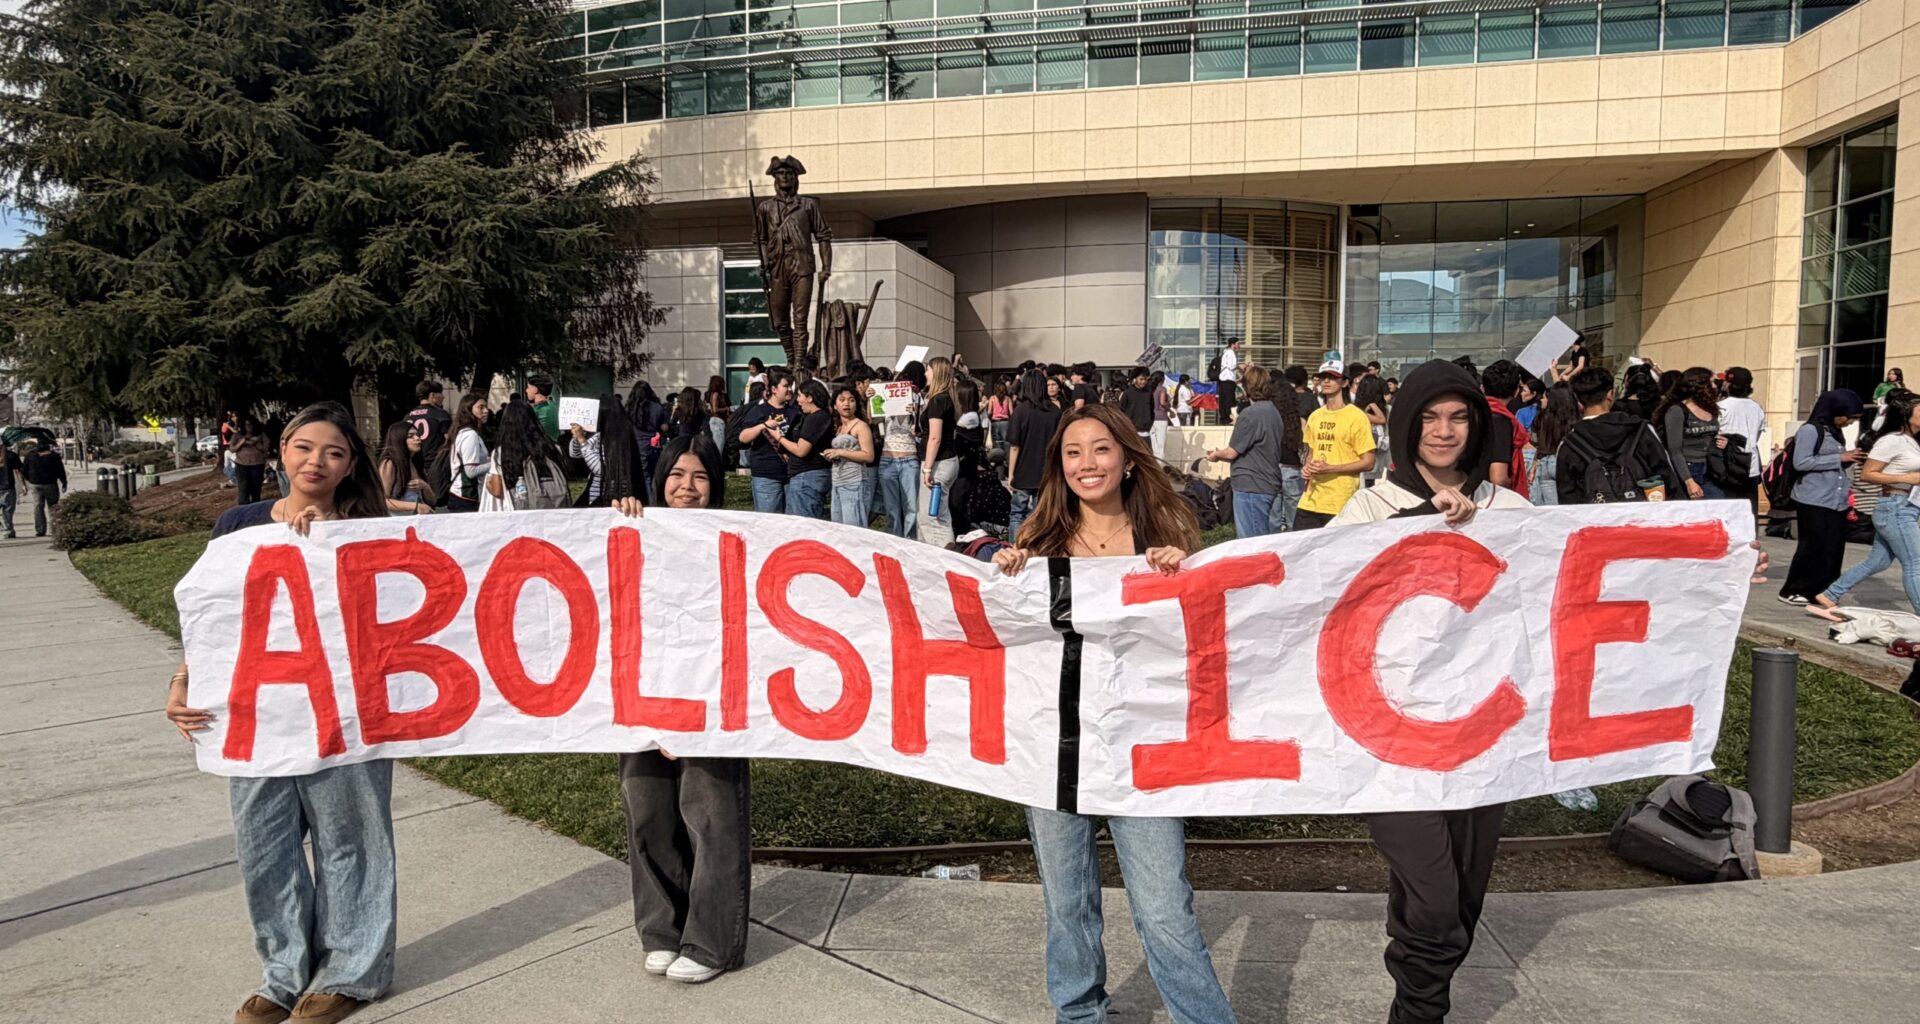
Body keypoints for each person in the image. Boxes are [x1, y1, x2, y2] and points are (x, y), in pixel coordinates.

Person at [987, 403, 1236, 1024]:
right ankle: (1079, 1013)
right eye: (1073, 452)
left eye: (1101, 449)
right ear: (1058, 465)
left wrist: (1185, 578)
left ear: (1127, 458)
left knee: (1163, 906)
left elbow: (1201, 640)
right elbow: (1008, 638)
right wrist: (1006, 575)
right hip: (1055, 747)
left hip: (1141, 750)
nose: (1087, 464)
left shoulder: (1165, 533)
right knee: (1067, 902)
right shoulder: (1038, 540)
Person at [164, 402, 395, 1024]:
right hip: (257, 712)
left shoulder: (367, 526)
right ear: (281, 452)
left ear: (350, 467)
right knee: (265, 846)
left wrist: (339, 537)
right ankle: (283, 973)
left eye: (334, 452)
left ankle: (351, 970)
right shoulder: (237, 523)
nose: (316, 461)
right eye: (303, 447)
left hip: (343, 714)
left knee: (351, 842)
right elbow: (212, 620)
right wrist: (182, 682)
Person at [1329, 360, 1530, 1024]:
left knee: (1458, 906)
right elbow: (1307, 599)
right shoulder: (1366, 509)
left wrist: (1724, 562)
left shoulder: (1511, 512)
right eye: (1430, 417)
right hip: (1390, 744)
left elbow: (1563, 594)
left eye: (1459, 417)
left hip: (1479, 741)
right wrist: (1418, 523)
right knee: (1436, 896)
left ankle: (1420, 1008)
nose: (1444, 432)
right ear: (1408, 425)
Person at [597, 432, 754, 985]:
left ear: (717, 487)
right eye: (676, 476)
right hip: (640, 696)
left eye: (700, 478)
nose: (686, 488)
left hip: (711, 699)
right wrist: (621, 518)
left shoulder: (738, 540)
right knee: (648, 810)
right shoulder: (633, 526)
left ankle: (713, 940)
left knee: (711, 814)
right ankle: (662, 929)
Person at [1813, 389, 1920, 614]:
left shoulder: (1912, 442)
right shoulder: (1892, 441)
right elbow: (1868, 474)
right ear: (1906, 415)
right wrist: (1906, 478)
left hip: (1905, 507)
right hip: (1895, 507)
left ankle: (1830, 594)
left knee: (1878, 562)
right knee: (1915, 564)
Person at [1779, 389, 1867, 605]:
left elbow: (1832, 461)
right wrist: (1840, 457)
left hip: (1836, 499)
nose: (1849, 422)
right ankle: (1794, 589)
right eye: (1848, 417)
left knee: (1833, 548)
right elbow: (1803, 462)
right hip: (1813, 498)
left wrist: (1849, 459)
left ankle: (1822, 591)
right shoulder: (1811, 430)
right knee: (1812, 547)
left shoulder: (1835, 431)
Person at [1556, 367, 1684, 505]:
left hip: (1595, 522)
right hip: (1643, 519)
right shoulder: (1641, 430)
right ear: (1611, 394)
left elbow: (1567, 498)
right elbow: (1667, 477)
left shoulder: (1569, 444)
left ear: (1578, 402)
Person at [1207, 366, 1296, 537]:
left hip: (1251, 485)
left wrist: (1216, 454)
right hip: (1267, 481)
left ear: (1247, 388)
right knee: (1265, 538)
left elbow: (1232, 452)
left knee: (1251, 544)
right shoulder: (1272, 410)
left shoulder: (1250, 414)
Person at [1293, 354, 1376, 530]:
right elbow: (1311, 453)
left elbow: (1369, 462)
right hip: (1310, 499)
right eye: (1323, 377)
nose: (1326, 381)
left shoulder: (1357, 417)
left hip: (1341, 501)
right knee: (1300, 552)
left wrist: (1331, 468)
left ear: (1345, 383)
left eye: (1333, 377)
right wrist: (1306, 468)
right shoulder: (1315, 416)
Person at [481, 397, 572, 512]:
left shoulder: (502, 452)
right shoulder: (553, 448)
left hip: (518, 511)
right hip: (555, 509)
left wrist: (489, 483)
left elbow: (497, 491)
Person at [1006, 369, 1061, 544]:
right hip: (1047, 472)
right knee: (1041, 516)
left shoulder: (1020, 411)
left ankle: (1015, 548)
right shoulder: (1055, 411)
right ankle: (1037, 548)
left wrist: (1011, 473)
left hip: (1023, 470)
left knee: (1017, 514)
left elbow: (1015, 446)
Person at [1655, 366, 1724, 500]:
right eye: (1712, 382)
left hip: (1710, 469)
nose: (1715, 386)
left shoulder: (1710, 409)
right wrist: (1689, 481)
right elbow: (1675, 451)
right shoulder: (1677, 411)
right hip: (1688, 469)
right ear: (1700, 385)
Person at [735, 367, 797, 513]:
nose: (789, 390)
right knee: (769, 522)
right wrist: (762, 426)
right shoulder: (759, 410)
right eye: (785, 386)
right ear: (774, 389)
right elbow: (743, 437)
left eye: (791, 387)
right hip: (766, 474)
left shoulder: (796, 411)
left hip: (791, 474)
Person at [875, 361, 924, 538]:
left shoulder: (920, 399)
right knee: (892, 509)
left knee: (912, 508)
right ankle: (895, 542)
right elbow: (873, 419)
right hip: (888, 457)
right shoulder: (887, 396)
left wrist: (916, 412)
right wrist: (872, 398)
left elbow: (921, 431)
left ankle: (910, 542)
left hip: (910, 458)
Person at [773, 378, 834, 519]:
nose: (798, 400)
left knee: (804, 524)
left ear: (810, 397)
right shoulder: (809, 417)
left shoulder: (817, 417)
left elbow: (801, 450)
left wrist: (779, 437)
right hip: (803, 476)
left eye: (800, 396)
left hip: (807, 477)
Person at [570, 393, 645, 508]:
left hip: (611, 495)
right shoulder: (598, 436)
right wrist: (578, 438)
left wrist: (582, 441)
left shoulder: (618, 440)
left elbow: (601, 470)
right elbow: (575, 454)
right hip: (595, 493)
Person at [918, 356, 962, 546]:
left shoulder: (938, 400)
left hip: (938, 464)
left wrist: (927, 469)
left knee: (932, 516)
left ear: (936, 373)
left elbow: (935, 437)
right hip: (946, 461)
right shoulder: (947, 399)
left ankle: (941, 556)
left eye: (928, 369)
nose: (925, 373)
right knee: (939, 512)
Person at [824, 384, 876, 527]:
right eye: (842, 400)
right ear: (835, 405)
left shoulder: (861, 426)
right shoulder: (839, 428)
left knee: (854, 529)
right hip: (838, 481)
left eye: (851, 400)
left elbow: (868, 455)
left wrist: (841, 452)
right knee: (839, 529)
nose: (846, 403)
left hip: (855, 483)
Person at [1718, 366, 1768, 514]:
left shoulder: (1721, 407)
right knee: (1748, 511)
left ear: (1728, 384)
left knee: (1727, 511)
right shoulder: (1756, 408)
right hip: (1750, 466)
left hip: (1726, 465)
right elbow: (1757, 436)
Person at [1478, 360, 1529, 499]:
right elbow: (1498, 477)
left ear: (1482, 388)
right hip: (1489, 500)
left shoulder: (1471, 415)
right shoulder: (1500, 420)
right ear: (1516, 391)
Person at [1528, 383, 1576, 507]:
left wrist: (1533, 466)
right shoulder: (1574, 418)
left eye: (1544, 397)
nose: (1541, 399)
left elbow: (1534, 442)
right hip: (1566, 462)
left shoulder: (1540, 418)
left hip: (1544, 462)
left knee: (1550, 509)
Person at [445, 391, 491, 513]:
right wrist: (494, 464)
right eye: (481, 407)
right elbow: (470, 471)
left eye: (486, 407)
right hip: (466, 497)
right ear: (468, 410)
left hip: (465, 496)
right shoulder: (470, 435)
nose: (486, 411)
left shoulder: (467, 433)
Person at [375, 420, 432, 516]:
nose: (417, 438)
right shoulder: (389, 463)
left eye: (417, 435)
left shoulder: (415, 463)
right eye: (410, 436)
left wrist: (425, 487)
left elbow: (432, 501)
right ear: (399, 439)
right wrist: (415, 506)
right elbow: (382, 501)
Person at [403, 380, 452, 482]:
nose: (443, 397)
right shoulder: (440, 415)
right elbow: (449, 440)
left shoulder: (408, 416)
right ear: (432, 395)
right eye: (440, 393)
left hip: (414, 466)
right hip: (436, 466)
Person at [21, 437, 66, 537]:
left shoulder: (30, 455)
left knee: (38, 506)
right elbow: (60, 470)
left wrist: (30, 480)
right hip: (50, 483)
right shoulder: (54, 456)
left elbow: (24, 470)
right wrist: (64, 482)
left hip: (35, 484)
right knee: (53, 506)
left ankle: (40, 529)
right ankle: (55, 528)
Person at [231, 417, 274, 505]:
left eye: (250, 424)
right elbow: (232, 449)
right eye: (246, 424)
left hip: (257, 464)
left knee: (256, 489)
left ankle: (255, 508)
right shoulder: (237, 435)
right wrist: (241, 442)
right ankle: (243, 509)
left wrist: (256, 443)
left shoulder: (261, 435)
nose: (249, 426)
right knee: (243, 489)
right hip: (242, 465)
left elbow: (265, 448)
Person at [1118, 365, 1155, 451]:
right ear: (1135, 379)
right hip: (1132, 432)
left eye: (1145, 379)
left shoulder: (1149, 393)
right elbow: (1120, 411)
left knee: (1148, 456)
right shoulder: (1128, 393)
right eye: (1141, 379)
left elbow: (1152, 410)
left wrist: (1149, 423)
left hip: (1146, 432)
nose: (1143, 382)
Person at [526, 375, 561, 440]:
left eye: (528, 387)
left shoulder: (538, 410)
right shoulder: (553, 406)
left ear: (535, 389)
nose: (526, 390)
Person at [0, 441, 22, 538]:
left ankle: (7, 529)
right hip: (8, 486)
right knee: (8, 510)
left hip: (6, 487)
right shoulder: (11, 455)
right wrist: (23, 484)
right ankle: (8, 530)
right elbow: (18, 470)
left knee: (7, 510)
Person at [705, 374, 732, 454]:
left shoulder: (716, 394)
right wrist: (726, 409)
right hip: (717, 421)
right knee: (718, 446)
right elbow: (714, 410)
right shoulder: (715, 394)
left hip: (719, 421)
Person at [1215, 338, 1241, 421]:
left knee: (1223, 400)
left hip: (1224, 380)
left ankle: (1224, 417)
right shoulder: (1230, 353)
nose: (1239, 346)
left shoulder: (1226, 352)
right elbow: (1232, 366)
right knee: (1229, 400)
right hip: (1228, 380)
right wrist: (1241, 366)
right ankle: (1228, 417)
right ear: (1233, 344)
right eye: (1238, 344)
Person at [987, 377, 1014, 450]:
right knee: (1006, 443)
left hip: (995, 422)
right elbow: (1012, 413)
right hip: (1005, 422)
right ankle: (1006, 459)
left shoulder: (992, 398)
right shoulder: (1008, 399)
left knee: (997, 443)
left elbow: (989, 412)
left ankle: (999, 459)